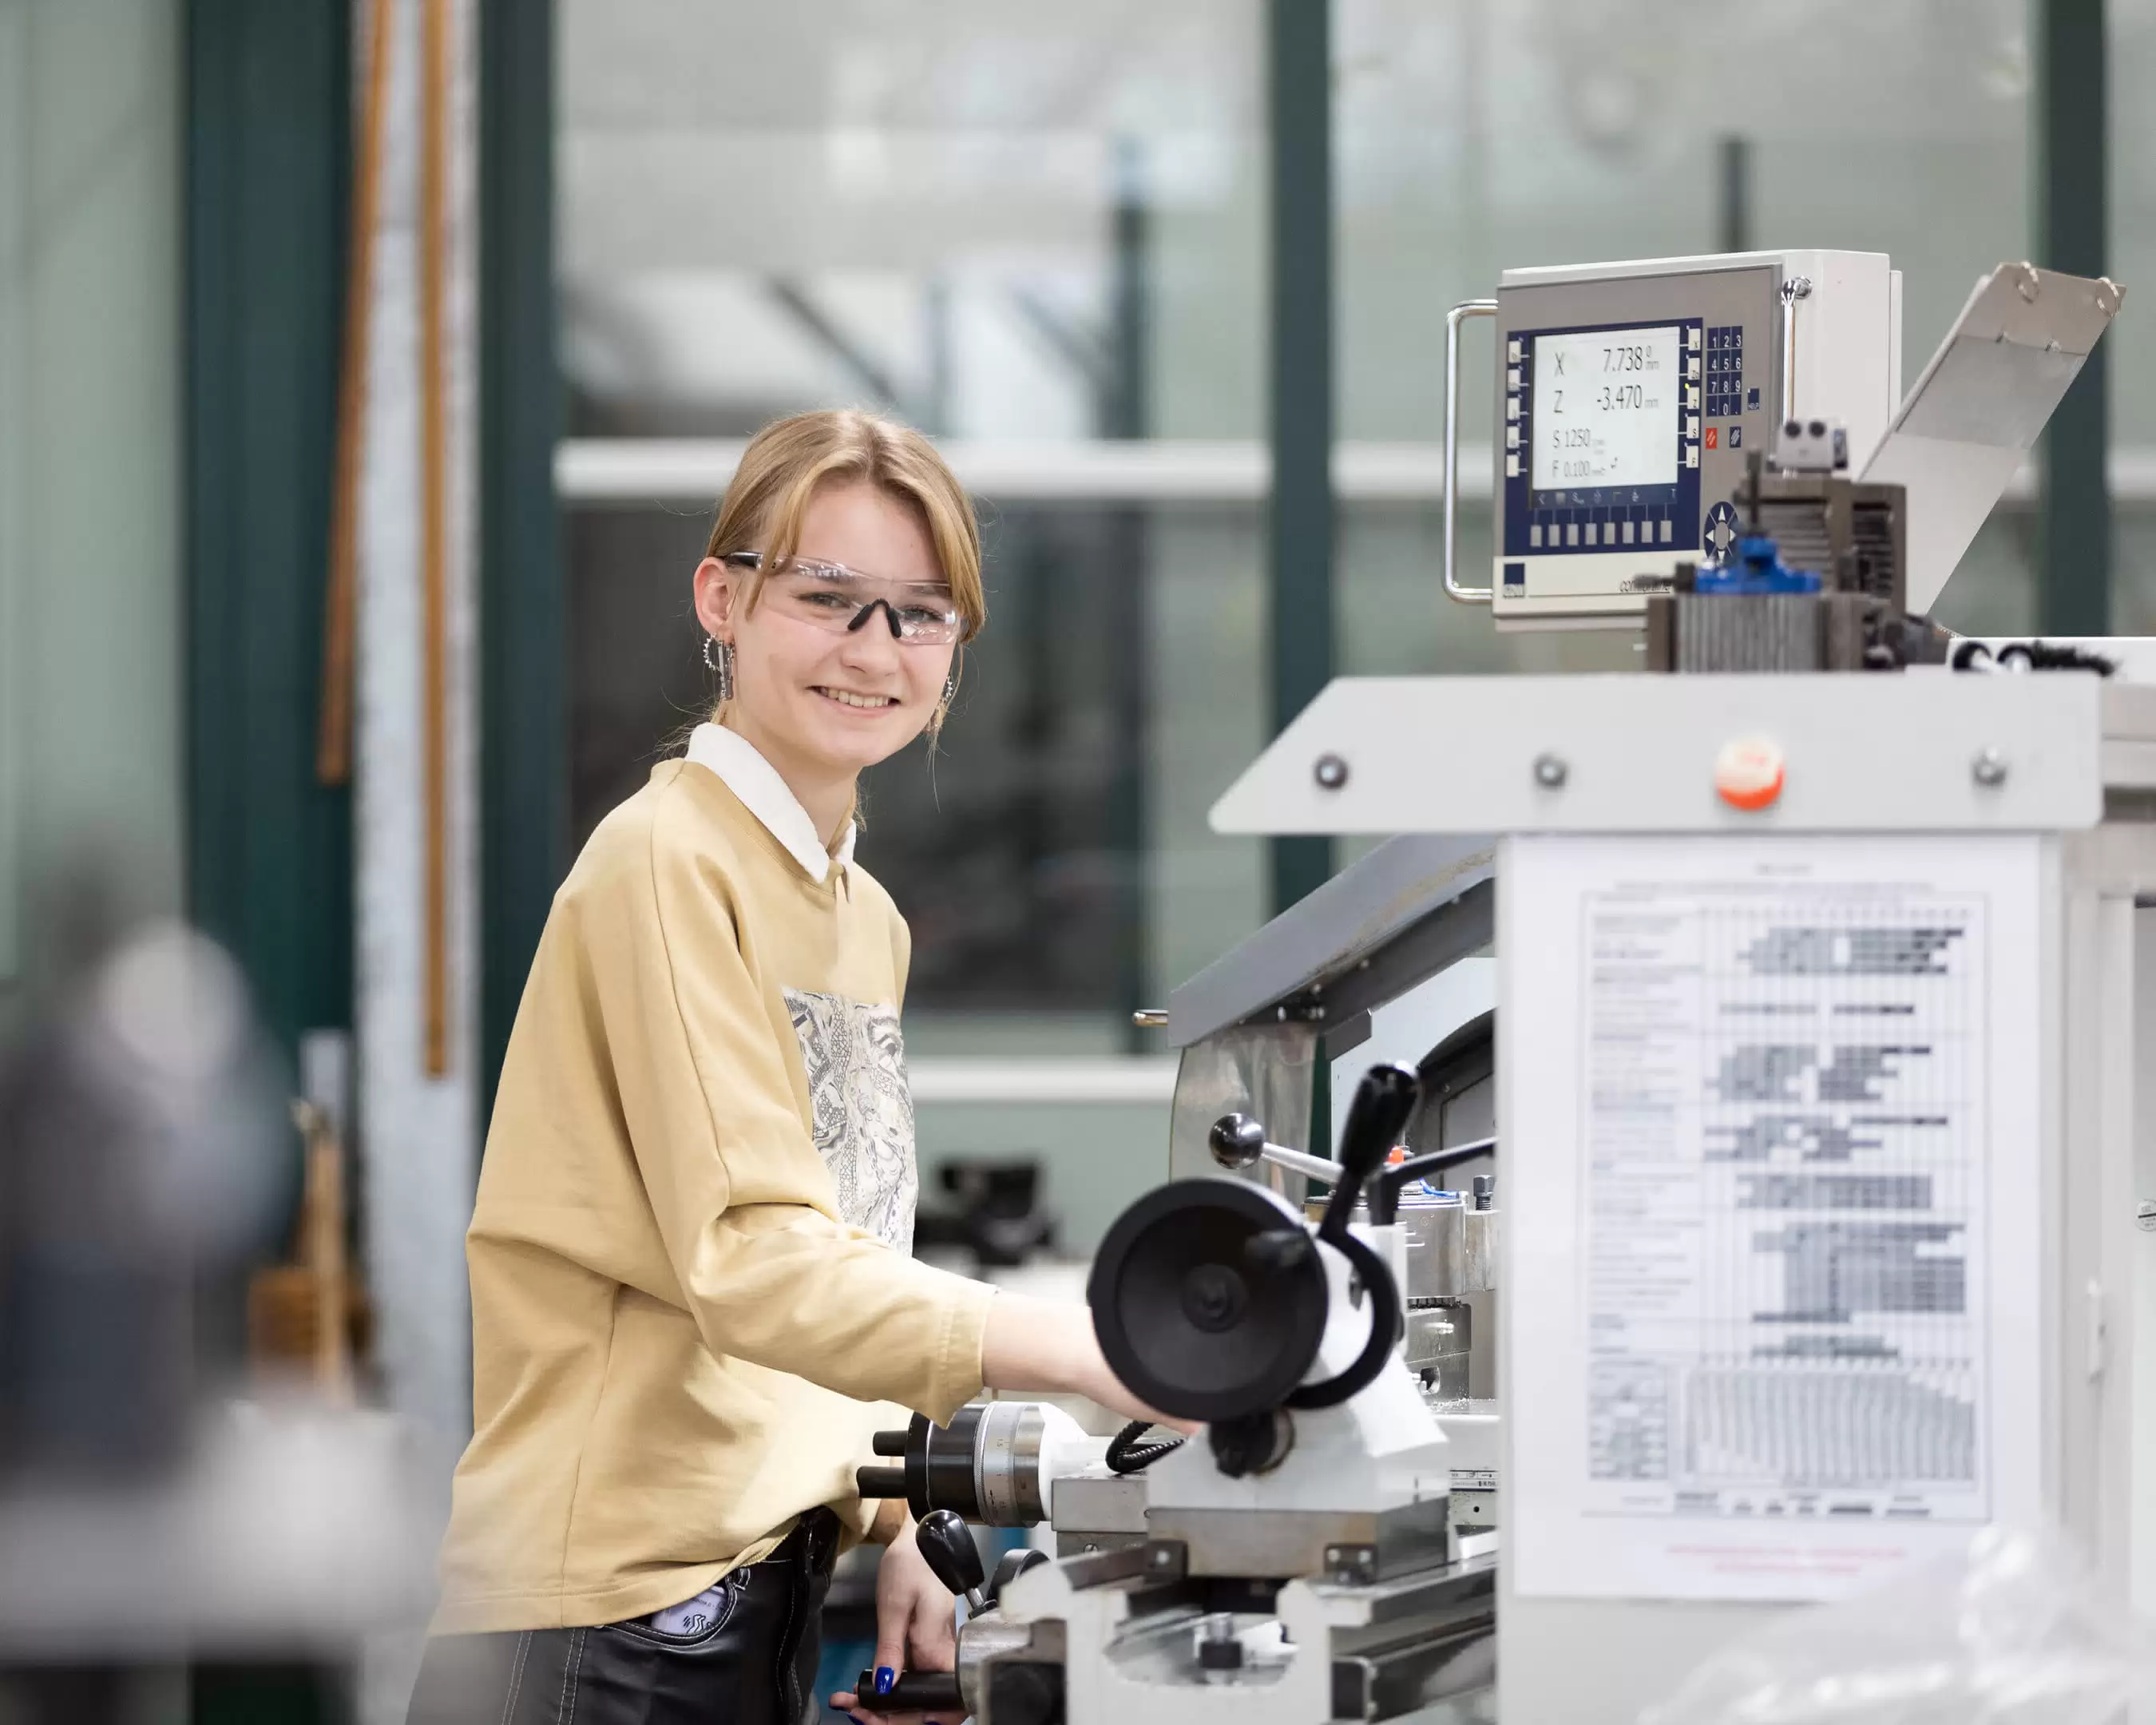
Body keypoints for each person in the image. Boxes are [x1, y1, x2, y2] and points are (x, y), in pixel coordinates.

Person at [406, 410, 1164, 1725]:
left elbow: (836, 1243)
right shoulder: (667, 861)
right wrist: (1087, 1348)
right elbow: (754, 1263)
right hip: (613, 1626)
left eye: (921, 615)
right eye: (829, 598)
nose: (875, 650)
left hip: (751, 1595)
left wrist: (902, 1514)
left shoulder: (859, 915)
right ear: (724, 599)